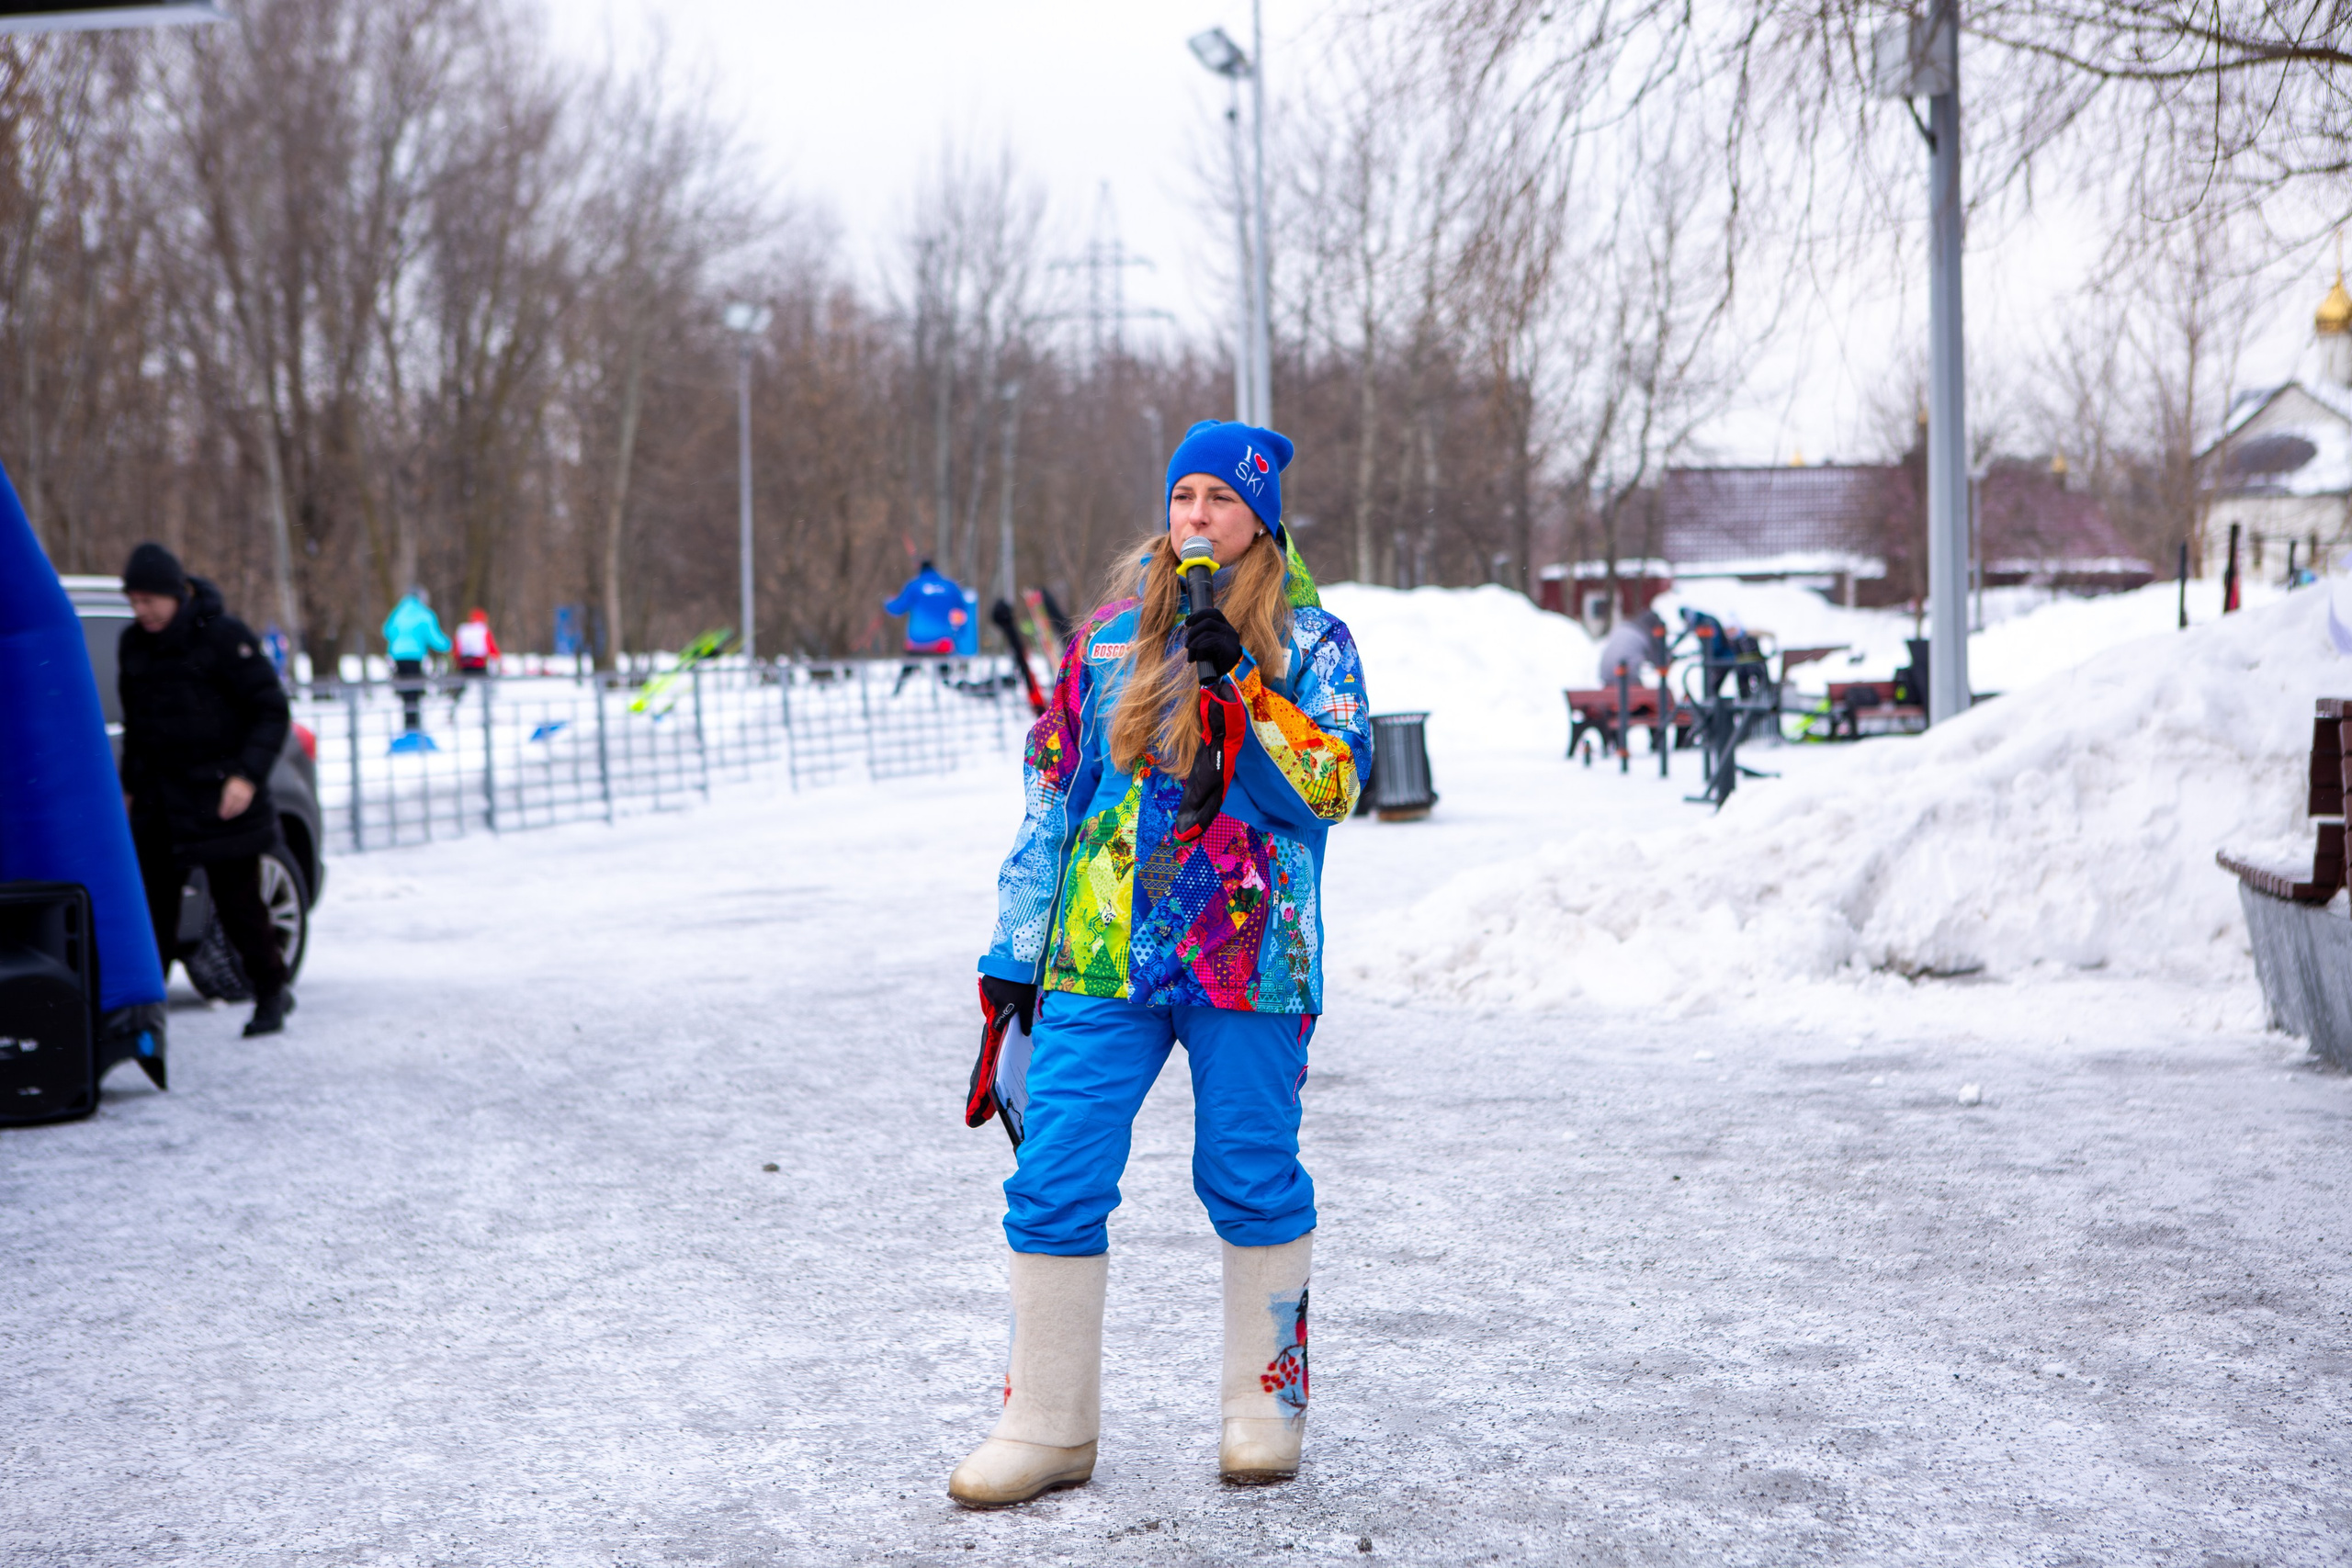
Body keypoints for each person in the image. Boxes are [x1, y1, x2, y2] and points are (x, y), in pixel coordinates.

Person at [949, 420, 1372, 1508]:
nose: (1195, 517)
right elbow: (1053, 797)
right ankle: (1046, 1424)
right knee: (1052, 1177)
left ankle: (1261, 1408)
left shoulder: (1316, 644)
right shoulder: (1101, 641)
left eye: (1220, 501)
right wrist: (1012, 951)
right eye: (1182, 496)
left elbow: (1332, 787)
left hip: (1248, 955)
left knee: (1247, 1174)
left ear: (1260, 518)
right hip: (1100, 953)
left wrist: (1244, 695)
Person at [116, 542, 296, 1037]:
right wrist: (132, 788)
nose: (141, 611)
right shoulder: (134, 644)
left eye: (149, 600)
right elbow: (137, 726)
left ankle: (271, 990)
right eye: (134, 602)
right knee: (152, 916)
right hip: (160, 802)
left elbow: (270, 710)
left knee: (240, 909)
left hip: (221, 797)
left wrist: (245, 776)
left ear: (176, 594)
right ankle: (142, 1017)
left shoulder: (222, 638)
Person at [382, 589, 448, 732]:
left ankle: (409, 725)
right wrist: (448, 645)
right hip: (414, 656)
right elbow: (434, 637)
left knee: (407, 692)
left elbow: (387, 630)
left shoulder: (398, 612)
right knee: (415, 690)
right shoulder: (424, 614)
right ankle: (413, 727)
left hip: (397, 656)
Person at [1594, 607, 1668, 687]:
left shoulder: (1624, 627)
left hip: (1605, 676)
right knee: (1645, 696)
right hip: (1626, 675)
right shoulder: (1645, 633)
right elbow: (1659, 660)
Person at [453, 607, 500, 677]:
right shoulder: (483, 629)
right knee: (483, 683)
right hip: (479, 663)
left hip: (464, 664)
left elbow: (456, 649)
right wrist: (498, 658)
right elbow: (491, 648)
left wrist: (456, 660)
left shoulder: (462, 629)